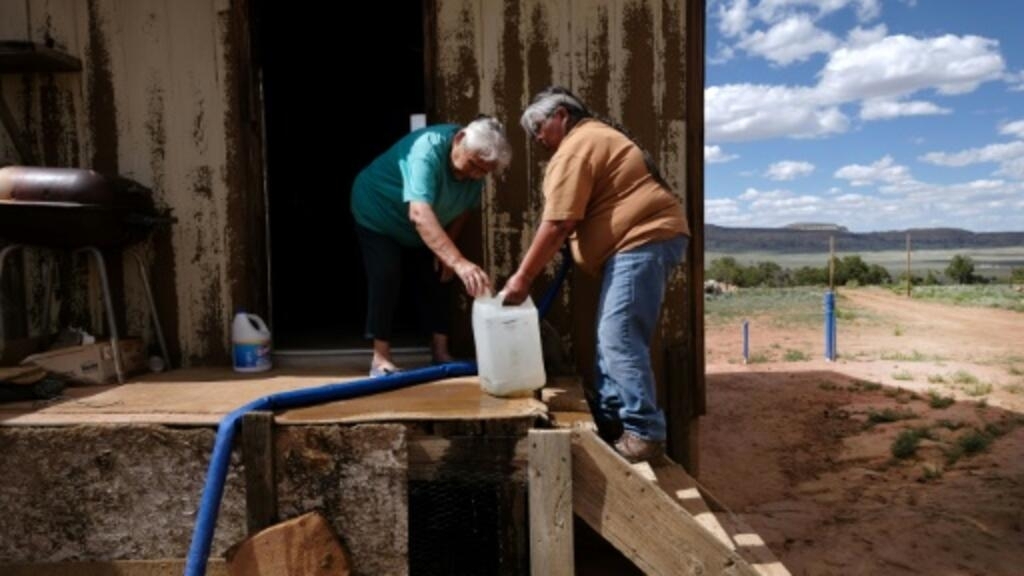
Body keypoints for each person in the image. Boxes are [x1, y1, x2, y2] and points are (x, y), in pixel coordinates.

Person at [499, 87, 690, 462]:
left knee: (617, 336)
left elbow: (557, 223)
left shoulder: (577, 146)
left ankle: (644, 432)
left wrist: (521, 279)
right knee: (609, 339)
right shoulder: (593, 139)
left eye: (538, 126)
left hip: (641, 240)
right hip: (636, 245)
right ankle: (615, 427)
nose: (537, 138)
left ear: (562, 116)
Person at [351, 116, 512, 377]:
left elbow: (463, 209)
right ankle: (380, 357)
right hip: (379, 212)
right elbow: (419, 213)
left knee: (441, 272)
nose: (475, 175)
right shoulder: (426, 150)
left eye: (484, 171)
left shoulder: (477, 168)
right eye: (472, 165)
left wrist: (450, 254)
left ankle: (440, 352)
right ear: (459, 140)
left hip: (424, 222)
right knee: (386, 273)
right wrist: (459, 261)